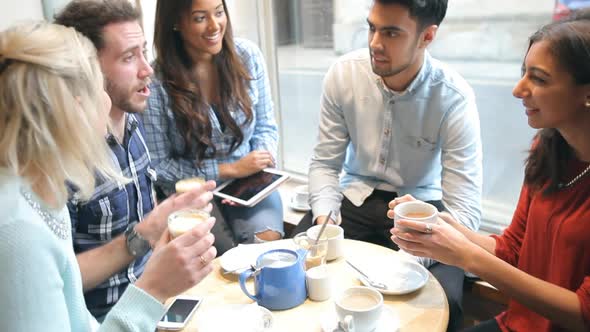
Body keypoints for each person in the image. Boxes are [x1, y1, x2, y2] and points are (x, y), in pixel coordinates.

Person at [0, 21, 216, 331]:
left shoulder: (42, 194)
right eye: (96, 89)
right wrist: (153, 288)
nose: (104, 101)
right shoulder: (17, 234)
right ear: (73, 111)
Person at [289, 0, 482, 330]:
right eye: (372, 28)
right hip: (355, 197)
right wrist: (325, 220)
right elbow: (324, 162)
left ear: (427, 37)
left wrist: (410, 257)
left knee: (446, 303)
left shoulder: (453, 97)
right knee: (295, 269)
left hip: (422, 210)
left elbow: (465, 212)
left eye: (391, 32)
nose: (375, 43)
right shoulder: (344, 74)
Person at [390, 18, 590, 332]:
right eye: (523, 73)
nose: (518, 89)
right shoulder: (549, 151)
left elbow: (583, 313)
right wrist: (444, 225)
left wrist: (466, 255)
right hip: (518, 324)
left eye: (538, 78)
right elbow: (513, 248)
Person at [53, 0, 224, 319]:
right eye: (129, 57)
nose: (147, 69)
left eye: (144, 51)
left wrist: (169, 222)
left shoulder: (133, 122)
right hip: (109, 319)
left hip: (161, 303)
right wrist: (144, 234)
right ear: (86, 69)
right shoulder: (61, 158)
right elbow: (58, 281)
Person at [142, 0, 283, 245]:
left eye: (219, 13)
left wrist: (257, 167)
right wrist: (227, 171)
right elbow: (158, 166)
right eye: (200, 18)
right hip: (189, 193)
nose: (214, 25)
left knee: (265, 243)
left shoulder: (247, 56)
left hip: (247, 180)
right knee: (220, 259)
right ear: (175, 23)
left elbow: (266, 127)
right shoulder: (156, 83)